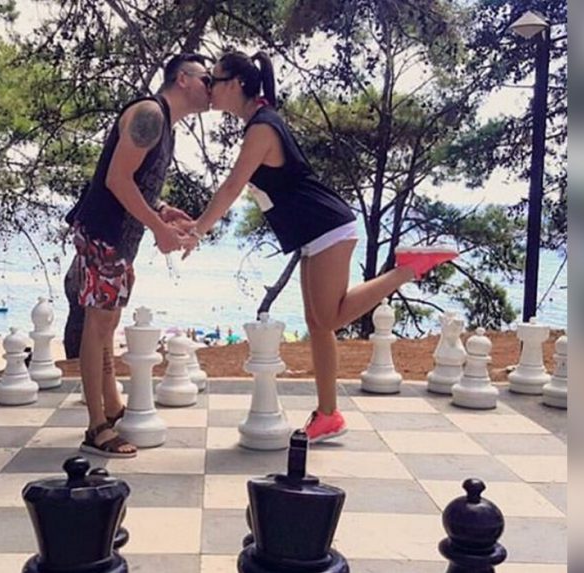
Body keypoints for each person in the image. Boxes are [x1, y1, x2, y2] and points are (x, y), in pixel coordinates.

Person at [183, 51, 458, 443]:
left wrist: (198, 230)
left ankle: (408, 269)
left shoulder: (262, 127)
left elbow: (231, 187)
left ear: (237, 84)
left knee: (327, 319)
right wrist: (195, 225)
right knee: (317, 324)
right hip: (315, 231)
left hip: (327, 226)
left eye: (214, 80)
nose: (209, 88)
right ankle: (329, 414)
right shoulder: (260, 121)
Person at [64, 54, 212, 458]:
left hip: (118, 238)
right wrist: (158, 229)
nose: (211, 87)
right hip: (104, 233)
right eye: (206, 78)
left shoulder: (164, 124)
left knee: (106, 323)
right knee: (98, 325)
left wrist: (162, 211)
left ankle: (111, 408)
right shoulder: (150, 114)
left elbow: (133, 181)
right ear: (183, 79)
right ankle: (96, 427)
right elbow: (116, 179)